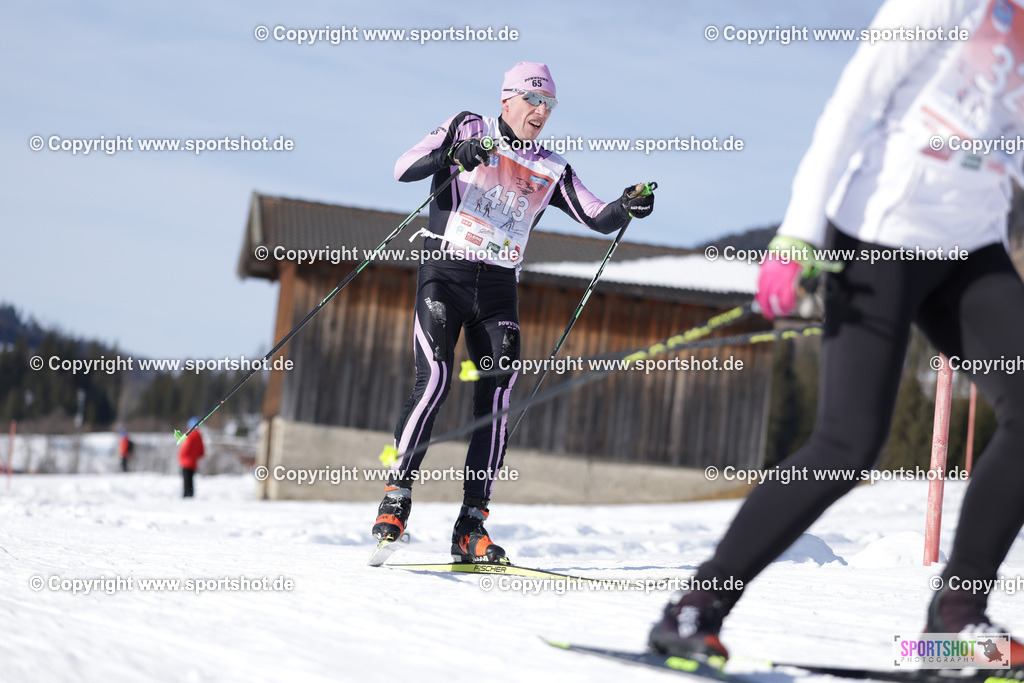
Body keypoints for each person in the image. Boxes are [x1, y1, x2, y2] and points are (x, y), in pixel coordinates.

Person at [649, 0, 1023, 668]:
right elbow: (854, 101)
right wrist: (797, 234)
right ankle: (694, 607)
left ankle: (954, 620)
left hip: (972, 244)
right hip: (882, 230)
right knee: (848, 444)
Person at [372, 61, 655, 563]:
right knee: (435, 379)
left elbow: (597, 215)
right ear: (507, 99)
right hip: (446, 274)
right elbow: (402, 168)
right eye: (533, 100)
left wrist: (629, 204)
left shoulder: (552, 168)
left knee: (496, 402)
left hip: (498, 291)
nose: (541, 111)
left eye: (549, 104)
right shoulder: (467, 127)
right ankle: (397, 497)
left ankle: (470, 525)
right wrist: (453, 155)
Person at [178, 417, 205, 498]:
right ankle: (190, 495)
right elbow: (201, 452)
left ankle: (187, 496)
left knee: (186, 481)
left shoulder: (189, 435)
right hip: (194, 462)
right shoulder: (199, 436)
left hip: (186, 462)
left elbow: (185, 449)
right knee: (190, 480)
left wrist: (181, 456)